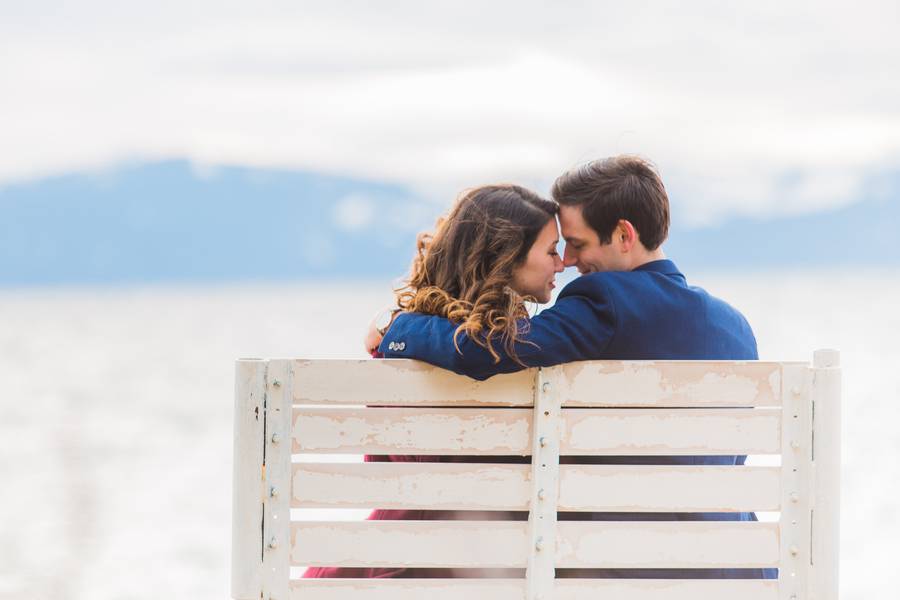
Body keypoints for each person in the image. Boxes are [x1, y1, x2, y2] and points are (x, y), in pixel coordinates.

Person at [378, 155, 775, 579]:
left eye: (579, 243)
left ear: (624, 234)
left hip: (632, 568)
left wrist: (399, 329)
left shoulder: (604, 303)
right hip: (736, 564)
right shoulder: (736, 327)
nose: (568, 261)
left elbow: (485, 350)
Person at [303, 183, 563, 579]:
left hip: (400, 564)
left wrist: (391, 324)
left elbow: (383, 475)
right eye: (550, 251)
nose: (561, 264)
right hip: (501, 569)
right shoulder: (527, 352)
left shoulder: (400, 344)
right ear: (508, 258)